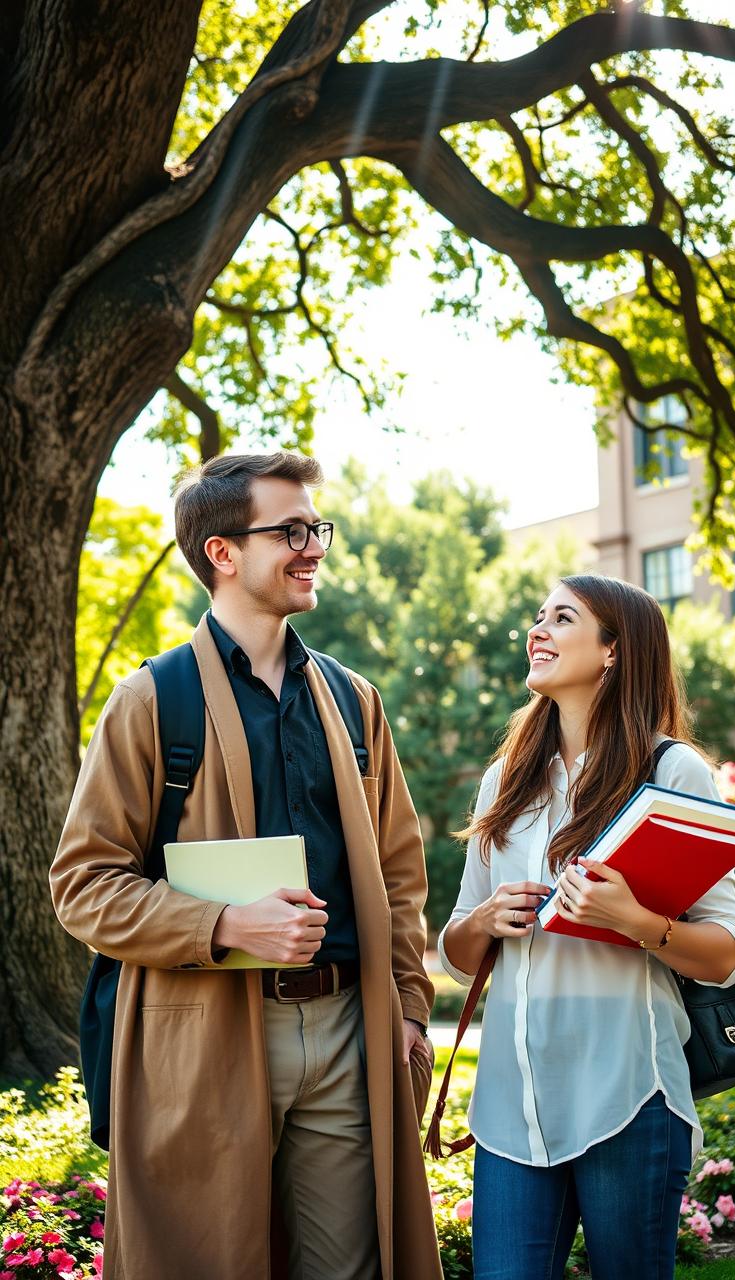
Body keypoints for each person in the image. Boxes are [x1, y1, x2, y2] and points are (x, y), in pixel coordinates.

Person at [51, 451, 442, 1280]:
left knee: (350, 1269)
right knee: (205, 1260)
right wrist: (223, 924)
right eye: (290, 530)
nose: (314, 547)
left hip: (346, 1032)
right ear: (222, 553)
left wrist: (408, 1009)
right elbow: (82, 888)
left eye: (316, 528)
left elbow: (400, 874)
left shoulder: (353, 698)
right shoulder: (153, 699)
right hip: (202, 1035)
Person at [439, 574, 735, 1280]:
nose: (537, 629)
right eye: (537, 614)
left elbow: (726, 955)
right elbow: (458, 950)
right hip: (511, 1107)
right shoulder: (505, 781)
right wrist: (487, 919)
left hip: (630, 1097)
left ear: (613, 650)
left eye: (562, 618)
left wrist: (635, 921)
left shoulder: (674, 772)